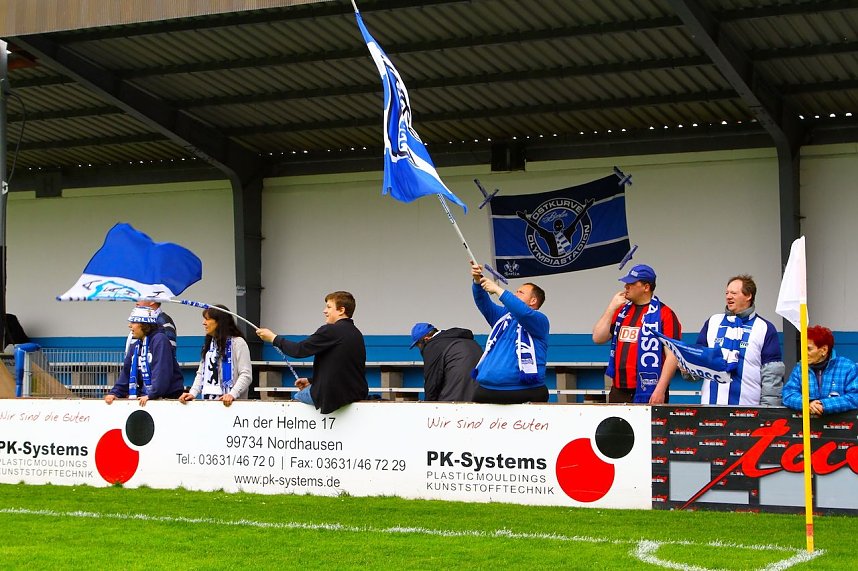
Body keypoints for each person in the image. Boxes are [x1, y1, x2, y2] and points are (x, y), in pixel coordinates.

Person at [256, 291, 367, 414]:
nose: (324, 311)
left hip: (333, 396)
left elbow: (299, 350)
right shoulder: (356, 333)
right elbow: (343, 368)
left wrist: (273, 338)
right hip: (355, 393)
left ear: (341, 310)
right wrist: (312, 380)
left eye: (329, 307)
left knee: (297, 398)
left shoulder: (330, 330)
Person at [592, 264, 681, 404]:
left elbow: (672, 356)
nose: (626, 286)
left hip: (651, 390)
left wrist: (660, 390)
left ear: (646, 287)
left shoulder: (665, 314)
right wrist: (611, 307)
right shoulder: (622, 311)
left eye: (632, 283)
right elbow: (598, 337)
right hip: (619, 388)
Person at [695, 274, 784, 406]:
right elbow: (697, 360)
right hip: (710, 410)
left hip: (748, 412)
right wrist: (687, 368)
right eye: (727, 292)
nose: (728, 296)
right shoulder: (713, 322)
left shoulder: (765, 328)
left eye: (734, 293)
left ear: (748, 296)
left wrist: (768, 411)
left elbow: (772, 377)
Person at [469, 262, 549, 403]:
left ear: (533, 301)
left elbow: (523, 313)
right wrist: (477, 281)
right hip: (487, 389)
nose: (514, 294)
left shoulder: (539, 320)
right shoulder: (503, 317)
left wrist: (498, 290)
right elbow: (483, 303)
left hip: (523, 391)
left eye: (520, 292)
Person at [105, 306, 185, 406]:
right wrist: (115, 393)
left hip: (168, 397)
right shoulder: (136, 345)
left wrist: (153, 394)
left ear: (144, 325)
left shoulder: (160, 340)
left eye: (133, 322)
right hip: (146, 396)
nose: (130, 326)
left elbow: (161, 371)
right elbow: (126, 373)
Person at [179, 304, 252, 407]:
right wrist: (192, 393)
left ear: (219, 322)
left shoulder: (238, 343)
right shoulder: (209, 345)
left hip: (233, 406)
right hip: (209, 404)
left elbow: (246, 375)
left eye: (207, 319)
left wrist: (232, 394)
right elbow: (201, 373)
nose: (203, 323)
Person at [782, 325, 858, 415]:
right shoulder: (800, 368)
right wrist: (808, 403)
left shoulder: (848, 367)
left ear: (824, 350)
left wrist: (824, 405)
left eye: (808, 349)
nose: (804, 353)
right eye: (802, 348)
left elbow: (855, 397)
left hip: (841, 426)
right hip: (806, 427)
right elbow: (787, 394)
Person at [409, 322, 480, 402]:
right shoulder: (469, 341)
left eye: (418, 345)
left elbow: (432, 384)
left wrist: (428, 406)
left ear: (426, 339)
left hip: (456, 400)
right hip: (482, 394)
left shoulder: (433, 346)